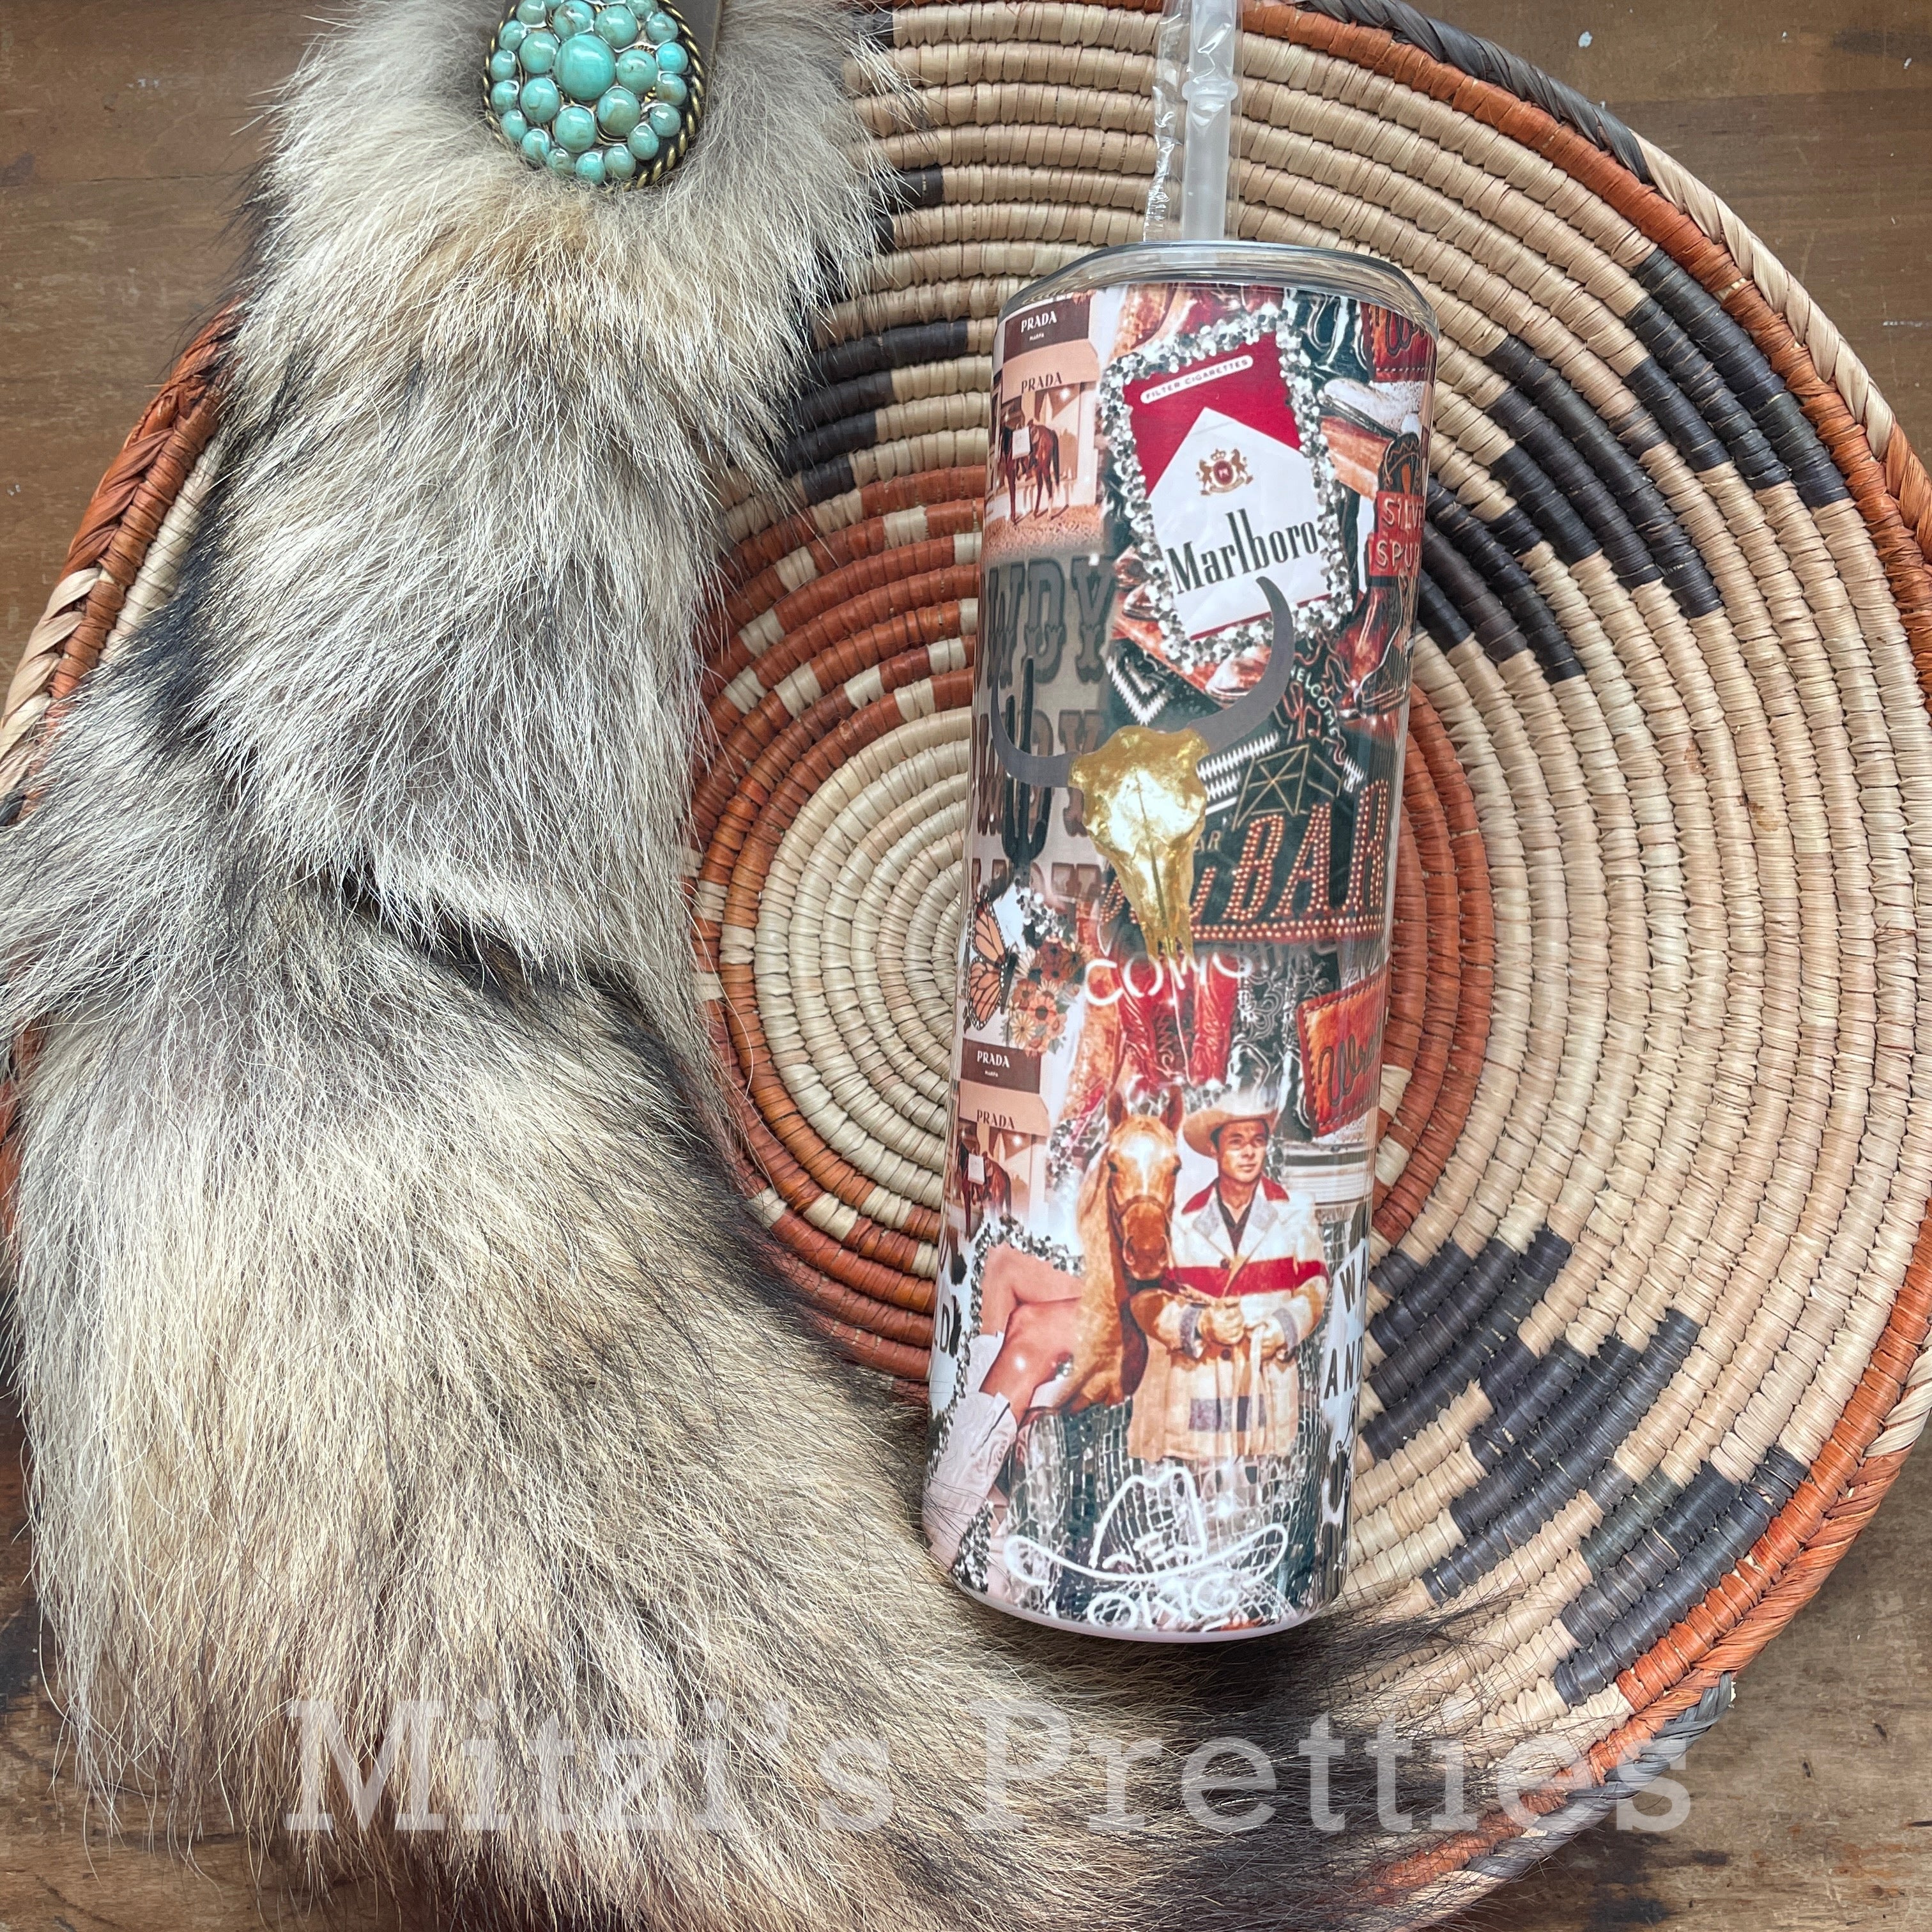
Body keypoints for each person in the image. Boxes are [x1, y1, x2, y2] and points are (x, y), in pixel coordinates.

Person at [1126, 1091, 1326, 1467]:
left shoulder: (1295, 1213)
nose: (1249, 1153)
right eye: (1236, 1142)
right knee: (1196, 1487)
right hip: (1198, 1395)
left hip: (1265, 1392)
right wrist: (1200, 1324)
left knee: (1264, 1487)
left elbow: (1315, 1287)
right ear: (1214, 1150)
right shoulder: (1181, 1221)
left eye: (1258, 1141)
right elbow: (1147, 1301)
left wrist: (1283, 1329)